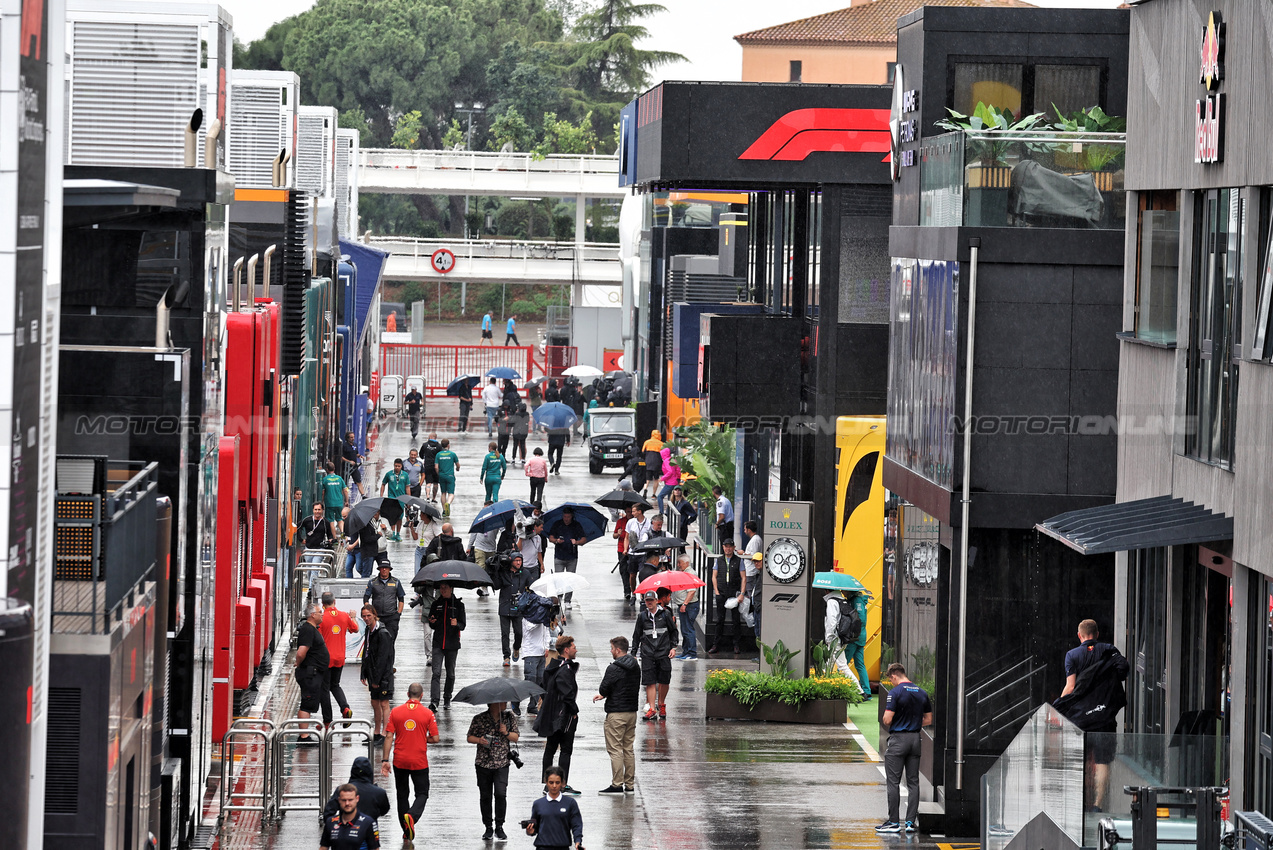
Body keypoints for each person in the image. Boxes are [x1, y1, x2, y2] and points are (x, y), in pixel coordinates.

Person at [1053, 619, 1130, 814]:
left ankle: (1078, 803)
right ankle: (1098, 804)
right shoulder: (1108, 650)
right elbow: (1122, 671)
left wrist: (1058, 709)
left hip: (1080, 719)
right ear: (1096, 634)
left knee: (1080, 760)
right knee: (1103, 762)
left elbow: (1070, 687)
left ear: (1079, 635)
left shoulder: (1072, 655)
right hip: (1104, 718)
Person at [877, 663, 933, 834]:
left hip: (899, 740)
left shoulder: (895, 693)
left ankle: (894, 822)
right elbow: (928, 719)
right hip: (916, 739)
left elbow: (887, 720)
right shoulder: (922, 692)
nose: (891, 683)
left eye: (890, 679)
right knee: (913, 781)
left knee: (893, 781)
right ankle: (910, 822)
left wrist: (900, 723)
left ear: (893, 675)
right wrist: (913, 723)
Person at [381, 682, 440, 841]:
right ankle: (412, 817)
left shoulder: (395, 712)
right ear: (421, 696)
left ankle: (406, 831)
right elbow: (435, 738)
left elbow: (388, 736)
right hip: (419, 761)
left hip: (399, 760)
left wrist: (385, 760)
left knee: (402, 795)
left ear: (407, 694)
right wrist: (422, 738)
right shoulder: (428, 713)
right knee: (422, 793)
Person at [593, 636, 641, 793]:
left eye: (612, 648)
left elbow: (604, 688)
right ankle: (630, 784)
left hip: (616, 713)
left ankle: (617, 783)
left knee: (615, 749)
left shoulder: (613, 668)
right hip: (631, 712)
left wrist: (603, 694)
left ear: (618, 650)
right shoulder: (635, 666)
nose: (611, 651)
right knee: (628, 748)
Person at [466, 702, 519, 841]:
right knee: (485, 796)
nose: (506, 704)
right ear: (493, 703)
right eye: (502, 701)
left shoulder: (509, 717)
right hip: (483, 763)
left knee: (501, 794)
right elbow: (469, 737)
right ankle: (488, 827)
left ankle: (500, 826)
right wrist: (479, 740)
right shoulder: (479, 718)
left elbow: (516, 737)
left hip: (502, 762)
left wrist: (506, 732)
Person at [537, 635, 581, 795]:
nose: (576, 649)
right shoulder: (565, 669)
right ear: (567, 650)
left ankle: (547, 783)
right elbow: (567, 693)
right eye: (574, 647)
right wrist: (574, 711)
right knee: (565, 750)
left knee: (550, 748)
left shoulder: (553, 666)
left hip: (551, 714)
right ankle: (561, 784)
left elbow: (543, 687)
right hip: (564, 716)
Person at [633, 590, 678, 720]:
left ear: (656, 600)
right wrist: (633, 653)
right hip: (648, 653)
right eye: (647, 601)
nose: (649, 603)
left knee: (664, 679)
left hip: (663, 652)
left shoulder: (665, 614)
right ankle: (652, 708)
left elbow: (673, 631)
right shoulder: (642, 616)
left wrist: (673, 647)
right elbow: (636, 635)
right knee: (650, 681)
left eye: (651, 600)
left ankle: (661, 703)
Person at [321, 592, 360, 721]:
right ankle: (345, 708)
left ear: (322, 604)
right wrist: (353, 617)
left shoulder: (321, 618)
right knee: (335, 685)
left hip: (325, 658)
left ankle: (327, 721)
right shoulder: (344, 616)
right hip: (339, 657)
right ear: (335, 601)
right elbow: (355, 629)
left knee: (324, 689)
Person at [359, 605, 395, 743]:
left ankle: (385, 734)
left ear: (374, 615)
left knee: (384, 703)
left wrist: (377, 679)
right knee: (374, 702)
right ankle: (377, 732)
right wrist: (364, 672)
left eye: (368, 615)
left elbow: (383, 658)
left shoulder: (383, 633)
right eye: (364, 616)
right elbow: (366, 652)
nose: (366, 619)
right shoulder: (369, 630)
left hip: (383, 675)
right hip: (373, 673)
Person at [427, 582, 465, 711]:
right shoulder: (436, 604)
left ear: (451, 588)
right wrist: (432, 621)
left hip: (452, 644)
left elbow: (463, 625)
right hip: (438, 643)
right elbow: (432, 623)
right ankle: (434, 701)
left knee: (451, 674)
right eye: (441, 588)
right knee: (436, 673)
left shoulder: (459, 605)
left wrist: (456, 624)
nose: (443, 590)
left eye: (445, 588)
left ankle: (447, 698)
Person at [825, 588, 870, 695]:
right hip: (859, 636)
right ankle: (866, 691)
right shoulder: (848, 600)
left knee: (843, 666)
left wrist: (830, 637)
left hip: (852, 638)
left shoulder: (854, 601)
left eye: (844, 591)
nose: (843, 592)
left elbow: (860, 620)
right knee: (859, 664)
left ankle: (857, 691)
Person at [295, 603, 331, 738]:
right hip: (310, 673)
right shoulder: (308, 630)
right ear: (312, 615)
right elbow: (300, 652)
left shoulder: (312, 628)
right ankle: (304, 737)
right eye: (319, 612)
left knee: (311, 703)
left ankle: (305, 735)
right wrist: (298, 664)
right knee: (307, 703)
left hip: (315, 672)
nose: (322, 614)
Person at [525, 767, 583, 850]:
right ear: (546, 782)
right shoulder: (538, 804)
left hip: (563, 847)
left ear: (562, 783)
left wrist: (578, 841)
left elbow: (577, 825)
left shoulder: (570, 803)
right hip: (542, 847)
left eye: (557, 782)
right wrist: (530, 831)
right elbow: (535, 826)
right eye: (551, 782)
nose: (554, 786)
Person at [494, 553, 535, 667]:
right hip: (504, 606)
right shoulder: (504, 572)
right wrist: (496, 571)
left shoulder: (525, 573)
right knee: (505, 634)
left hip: (519, 608)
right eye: (516, 560)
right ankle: (506, 656)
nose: (518, 563)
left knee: (519, 632)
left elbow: (531, 588)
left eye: (520, 560)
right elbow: (496, 586)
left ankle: (516, 647)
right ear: (511, 561)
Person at [322, 757, 390, 824]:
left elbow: (328, 812)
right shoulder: (380, 792)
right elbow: (384, 810)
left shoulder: (342, 790)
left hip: (347, 829)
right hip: (369, 830)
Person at [707, 538, 745, 657]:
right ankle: (715, 644)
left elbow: (744, 577)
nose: (728, 549)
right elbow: (714, 576)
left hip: (734, 594)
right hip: (721, 593)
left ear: (733, 548)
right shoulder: (719, 560)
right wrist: (717, 591)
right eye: (726, 546)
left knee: (736, 620)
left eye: (730, 547)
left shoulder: (739, 561)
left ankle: (736, 644)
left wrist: (742, 593)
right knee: (720, 620)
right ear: (723, 547)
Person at [547, 507, 587, 609]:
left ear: (571, 516)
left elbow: (584, 539)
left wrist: (577, 542)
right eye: (564, 516)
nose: (566, 519)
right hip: (559, 556)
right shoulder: (557, 524)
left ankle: (568, 600)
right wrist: (556, 541)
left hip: (572, 557)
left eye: (568, 517)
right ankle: (559, 598)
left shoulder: (576, 525)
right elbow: (550, 537)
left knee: (570, 579)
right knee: (558, 578)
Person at [320, 784, 381, 850]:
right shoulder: (331, 822)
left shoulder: (368, 823)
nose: (347, 803)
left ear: (357, 799)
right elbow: (323, 847)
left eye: (350, 800)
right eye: (344, 800)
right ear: (339, 800)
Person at [522, 604, 557, 716]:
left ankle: (532, 705)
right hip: (531, 653)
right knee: (530, 679)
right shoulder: (528, 616)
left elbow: (546, 632)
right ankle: (516, 700)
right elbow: (530, 627)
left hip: (541, 653)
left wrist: (546, 647)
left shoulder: (543, 617)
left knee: (539, 681)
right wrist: (540, 617)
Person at [364, 560, 405, 639]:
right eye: (382, 568)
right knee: (376, 640)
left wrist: (398, 613)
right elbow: (366, 597)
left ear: (389, 569)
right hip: (377, 617)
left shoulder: (396, 582)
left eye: (386, 568)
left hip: (392, 617)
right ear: (379, 569)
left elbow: (401, 598)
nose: (384, 570)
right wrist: (369, 611)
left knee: (390, 640)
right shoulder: (372, 582)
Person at [671, 555, 700, 660]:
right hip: (684, 605)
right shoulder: (684, 572)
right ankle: (686, 651)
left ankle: (692, 653)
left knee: (688, 629)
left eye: (680, 563)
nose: (678, 565)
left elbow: (691, 591)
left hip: (689, 606)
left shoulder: (690, 573)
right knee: (685, 629)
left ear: (686, 563)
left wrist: (684, 604)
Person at [380, 459, 410, 541]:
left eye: (399, 466)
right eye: (395, 466)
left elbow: (407, 487)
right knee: (392, 516)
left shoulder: (405, 475)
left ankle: (398, 533)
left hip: (401, 499)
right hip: (392, 499)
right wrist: (381, 495)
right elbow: (383, 484)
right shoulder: (389, 474)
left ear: (401, 466)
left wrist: (409, 499)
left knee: (400, 517)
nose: (397, 467)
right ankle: (392, 533)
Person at [322, 461, 350, 539]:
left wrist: (322, 502)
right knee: (340, 519)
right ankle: (343, 534)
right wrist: (346, 501)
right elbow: (345, 490)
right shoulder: (339, 478)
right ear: (334, 469)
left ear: (327, 469)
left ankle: (334, 538)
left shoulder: (325, 479)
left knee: (331, 521)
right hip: (339, 503)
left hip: (329, 503)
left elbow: (323, 492)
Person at [433, 438, 460, 518]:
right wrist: (457, 469)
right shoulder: (452, 454)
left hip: (442, 475)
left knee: (443, 493)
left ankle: (444, 510)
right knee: (451, 493)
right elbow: (458, 465)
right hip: (450, 476)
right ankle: (448, 503)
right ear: (448, 445)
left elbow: (436, 467)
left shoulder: (438, 455)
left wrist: (439, 474)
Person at [341, 432, 366, 498]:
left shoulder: (355, 445)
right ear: (347, 438)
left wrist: (360, 456)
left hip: (354, 467)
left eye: (353, 437)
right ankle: (343, 496)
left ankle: (363, 495)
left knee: (358, 481)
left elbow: (355, 453)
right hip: (346, 467)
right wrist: (349, 461)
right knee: (344, 483)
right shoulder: (344, 446)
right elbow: (341, 457)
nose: (353, 438)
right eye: (351, 437)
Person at [640, 431, 664, 500]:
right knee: (656, 479)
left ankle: (645, 489)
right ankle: (653, 494)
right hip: (657, 464)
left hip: (648, 463)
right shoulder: (661, 444)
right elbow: (663, 454)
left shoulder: (647, 442)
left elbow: (643, 452)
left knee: (647, 479)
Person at [656, 447, 680, 515]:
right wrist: (677, 479)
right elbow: (677, 470)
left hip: (670, 482)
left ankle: (661, 511)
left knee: (660, 496)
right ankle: (668, 512)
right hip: (674, 481)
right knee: (670, 498)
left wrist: (662, 478)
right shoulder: (673, 460)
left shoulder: (666, 461)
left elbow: (670, 472)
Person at [420, 434, 442, 502]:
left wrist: (424, 458)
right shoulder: (439, 446)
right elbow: (441, 455)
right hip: (436, 466)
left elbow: (421, 454)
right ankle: (434, 498)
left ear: (430, 437)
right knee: (436, 483)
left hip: (427, 465)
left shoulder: (425, 445)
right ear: (436, 438)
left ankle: (428, 497)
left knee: (428, 482)